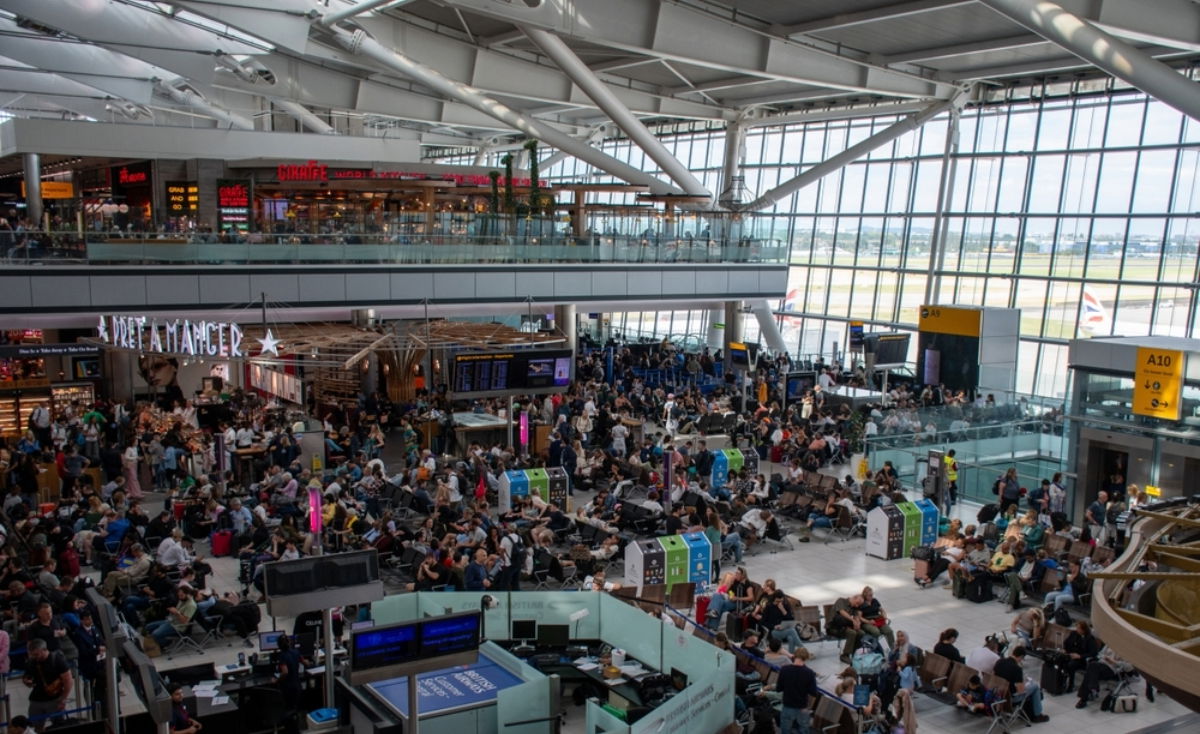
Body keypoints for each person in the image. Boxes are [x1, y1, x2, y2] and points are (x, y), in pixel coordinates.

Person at [22, 638, 73, 731]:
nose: (34, 657)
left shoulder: (57, 660)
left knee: (58, 726)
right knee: (36, 727)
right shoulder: (32, 661)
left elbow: (68, 680)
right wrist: (26, 681)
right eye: (32, 654)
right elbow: (26, 675)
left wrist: (63, 699)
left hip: (54, 699)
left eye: (37, 654)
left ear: (44, 650)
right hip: (36, 699)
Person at [992, 645, 1050, 723]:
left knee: (1030, 685)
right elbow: (1021, 691)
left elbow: (994, 675)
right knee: (1035, 687)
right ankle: (1038, 715)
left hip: (999, 695)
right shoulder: (1017, 669)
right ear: (1021, 657)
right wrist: (1026, 684)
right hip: (1011, 698)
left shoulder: (1000, 661)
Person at [775, 648, 819, 734]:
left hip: (787, 705)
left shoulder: (784, 670)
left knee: (785, 730)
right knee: (803, 730)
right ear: (806, 658)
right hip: (802, 707)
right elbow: (813, 692)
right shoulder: (809, 673)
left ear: (794, 656)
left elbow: (778, 688)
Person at [275, 634, 303, 732]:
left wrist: (276, 680)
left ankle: (290, 729)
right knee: (294, 709)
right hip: (297, 686)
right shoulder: (296, 652)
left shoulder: (282, 656)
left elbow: (285, 672)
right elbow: (305, 662)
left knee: (288, 710)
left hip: (288, 688)